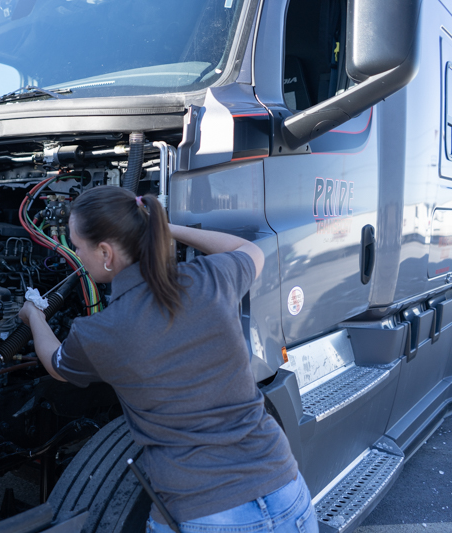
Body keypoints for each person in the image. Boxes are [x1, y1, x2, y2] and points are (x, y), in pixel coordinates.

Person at [18, 186, 318, 533]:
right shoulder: (208, 279)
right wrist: (161, 227)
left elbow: (55, 364)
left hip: (207, 514)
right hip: (286, 491)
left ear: (105, 252)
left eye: (77, 246)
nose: (75, 254)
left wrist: (35, 316)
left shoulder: (99, 332)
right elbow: (248, 250)